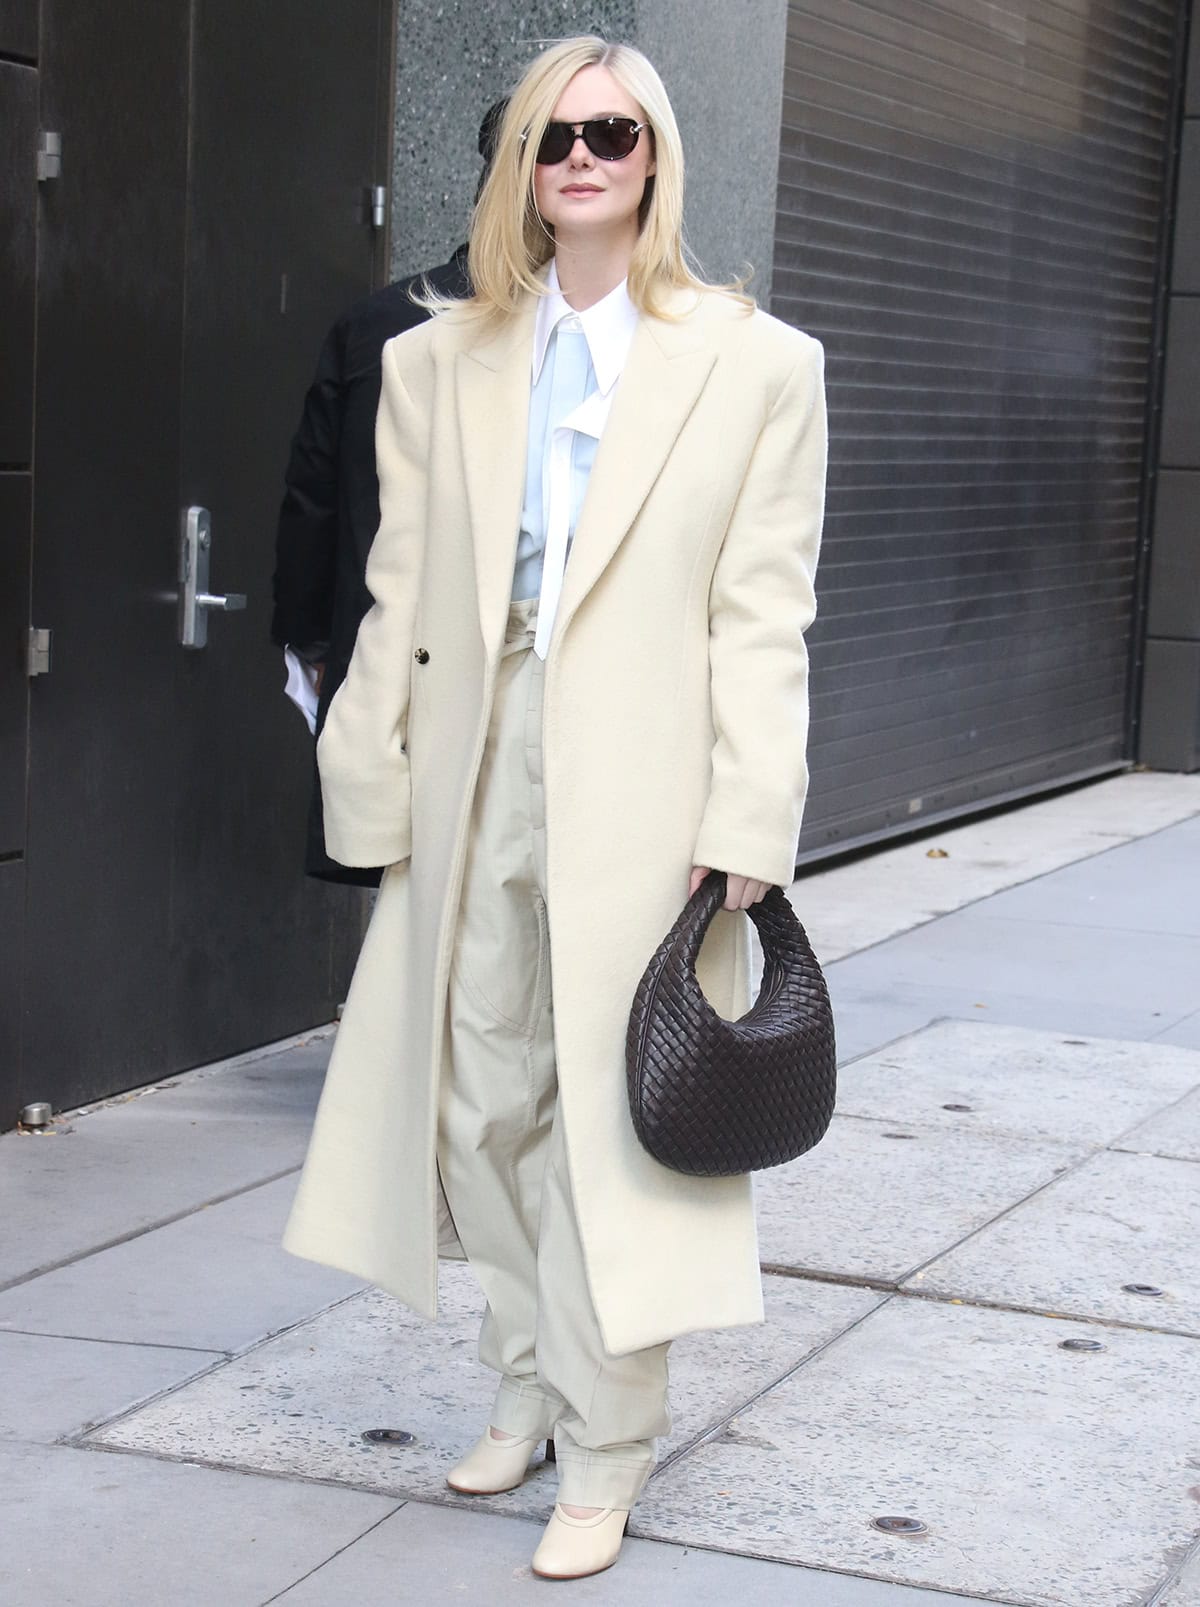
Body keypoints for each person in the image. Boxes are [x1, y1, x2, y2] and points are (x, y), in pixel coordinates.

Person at [281, 35, 827, 1582]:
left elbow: (762, 615)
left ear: (655, 157)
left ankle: (607, 1444)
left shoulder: (756, 363)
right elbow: (396, 596)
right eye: (553, 137)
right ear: (518, 164)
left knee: (613, 1125)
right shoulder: (433, 357)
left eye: (612, 133)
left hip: (647, 779)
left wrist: (749, 817)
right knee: (475, 1106)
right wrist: (368, 783)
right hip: (476, 758)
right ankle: (524, 1377)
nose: (582, 158)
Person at [269, 102, 507, 885]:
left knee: (406, 900)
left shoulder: (376, 323)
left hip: (385, 654)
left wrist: (312, 639)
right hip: (499, 675)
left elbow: (312, 503)